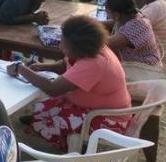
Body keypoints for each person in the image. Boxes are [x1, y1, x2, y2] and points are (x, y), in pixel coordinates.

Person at [9, 15, 131, 152]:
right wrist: (43, 66)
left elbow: (53, 88)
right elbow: (65, 64)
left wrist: (20, 68)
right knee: (44, 107)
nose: (60, 45)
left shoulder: (93, 63)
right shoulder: (92, 48)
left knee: (49, 118)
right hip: (97, 106)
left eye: (63, 42)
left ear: (77, 46)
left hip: (106, 117)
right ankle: (43, 124)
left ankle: (73, 149)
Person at [105, 0, 162, 67]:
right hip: (137, 64)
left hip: (146, 70)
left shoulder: (136, 27)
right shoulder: (132, 16)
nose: (107, 15)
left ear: (116, 15)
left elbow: (106, 44)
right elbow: (110, 23)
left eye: (108, 12)